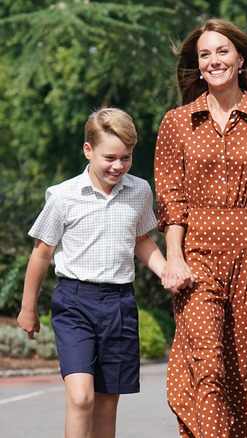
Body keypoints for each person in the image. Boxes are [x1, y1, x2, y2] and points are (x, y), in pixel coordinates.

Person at [154, 18, 247, 438]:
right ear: (197, 64)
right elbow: (171, 202)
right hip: (196, 258)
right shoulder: (177, 122)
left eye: (222, 51)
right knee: (208, 368)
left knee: (243, 376)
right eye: (205, 54)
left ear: (240, 58)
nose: (214, 60)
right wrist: (173, 260)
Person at [16, 107, 167, 438]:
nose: (117, 166)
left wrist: (165, 270)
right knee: (82, 397)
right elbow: (41, 254)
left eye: (125, 158)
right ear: (88, 150)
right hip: (75, 303)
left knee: (107, 404)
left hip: (119, 304)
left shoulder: (140, 191)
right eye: (109, 157)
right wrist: (29, 308)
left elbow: (142, 241)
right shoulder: (63, 196)